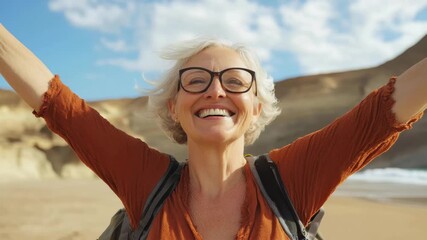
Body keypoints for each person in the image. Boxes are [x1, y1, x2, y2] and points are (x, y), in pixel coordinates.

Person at [0, 23, 426, 240]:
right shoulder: (145, 182)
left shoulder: (291, 181)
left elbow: (386, 110)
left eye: (236, 82)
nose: (216, 90)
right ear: (174, 106)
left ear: (256, 106)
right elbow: (58, 105)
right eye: (196, 80)